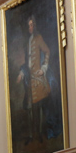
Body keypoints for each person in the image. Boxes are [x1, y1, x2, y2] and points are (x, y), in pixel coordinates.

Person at [16, 15, 53, 144]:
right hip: (30, 80)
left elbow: (47, 51)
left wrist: (43, 68)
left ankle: (40, 135)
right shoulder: (28, 42)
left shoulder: (38, 38)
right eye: (28, 25)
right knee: (31, 109)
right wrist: (22, 72)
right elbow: (27, 63)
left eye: (32, 25)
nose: (30, 27)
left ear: (35, 25)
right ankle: (32, 135)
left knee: (40, 107)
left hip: (38, 78)